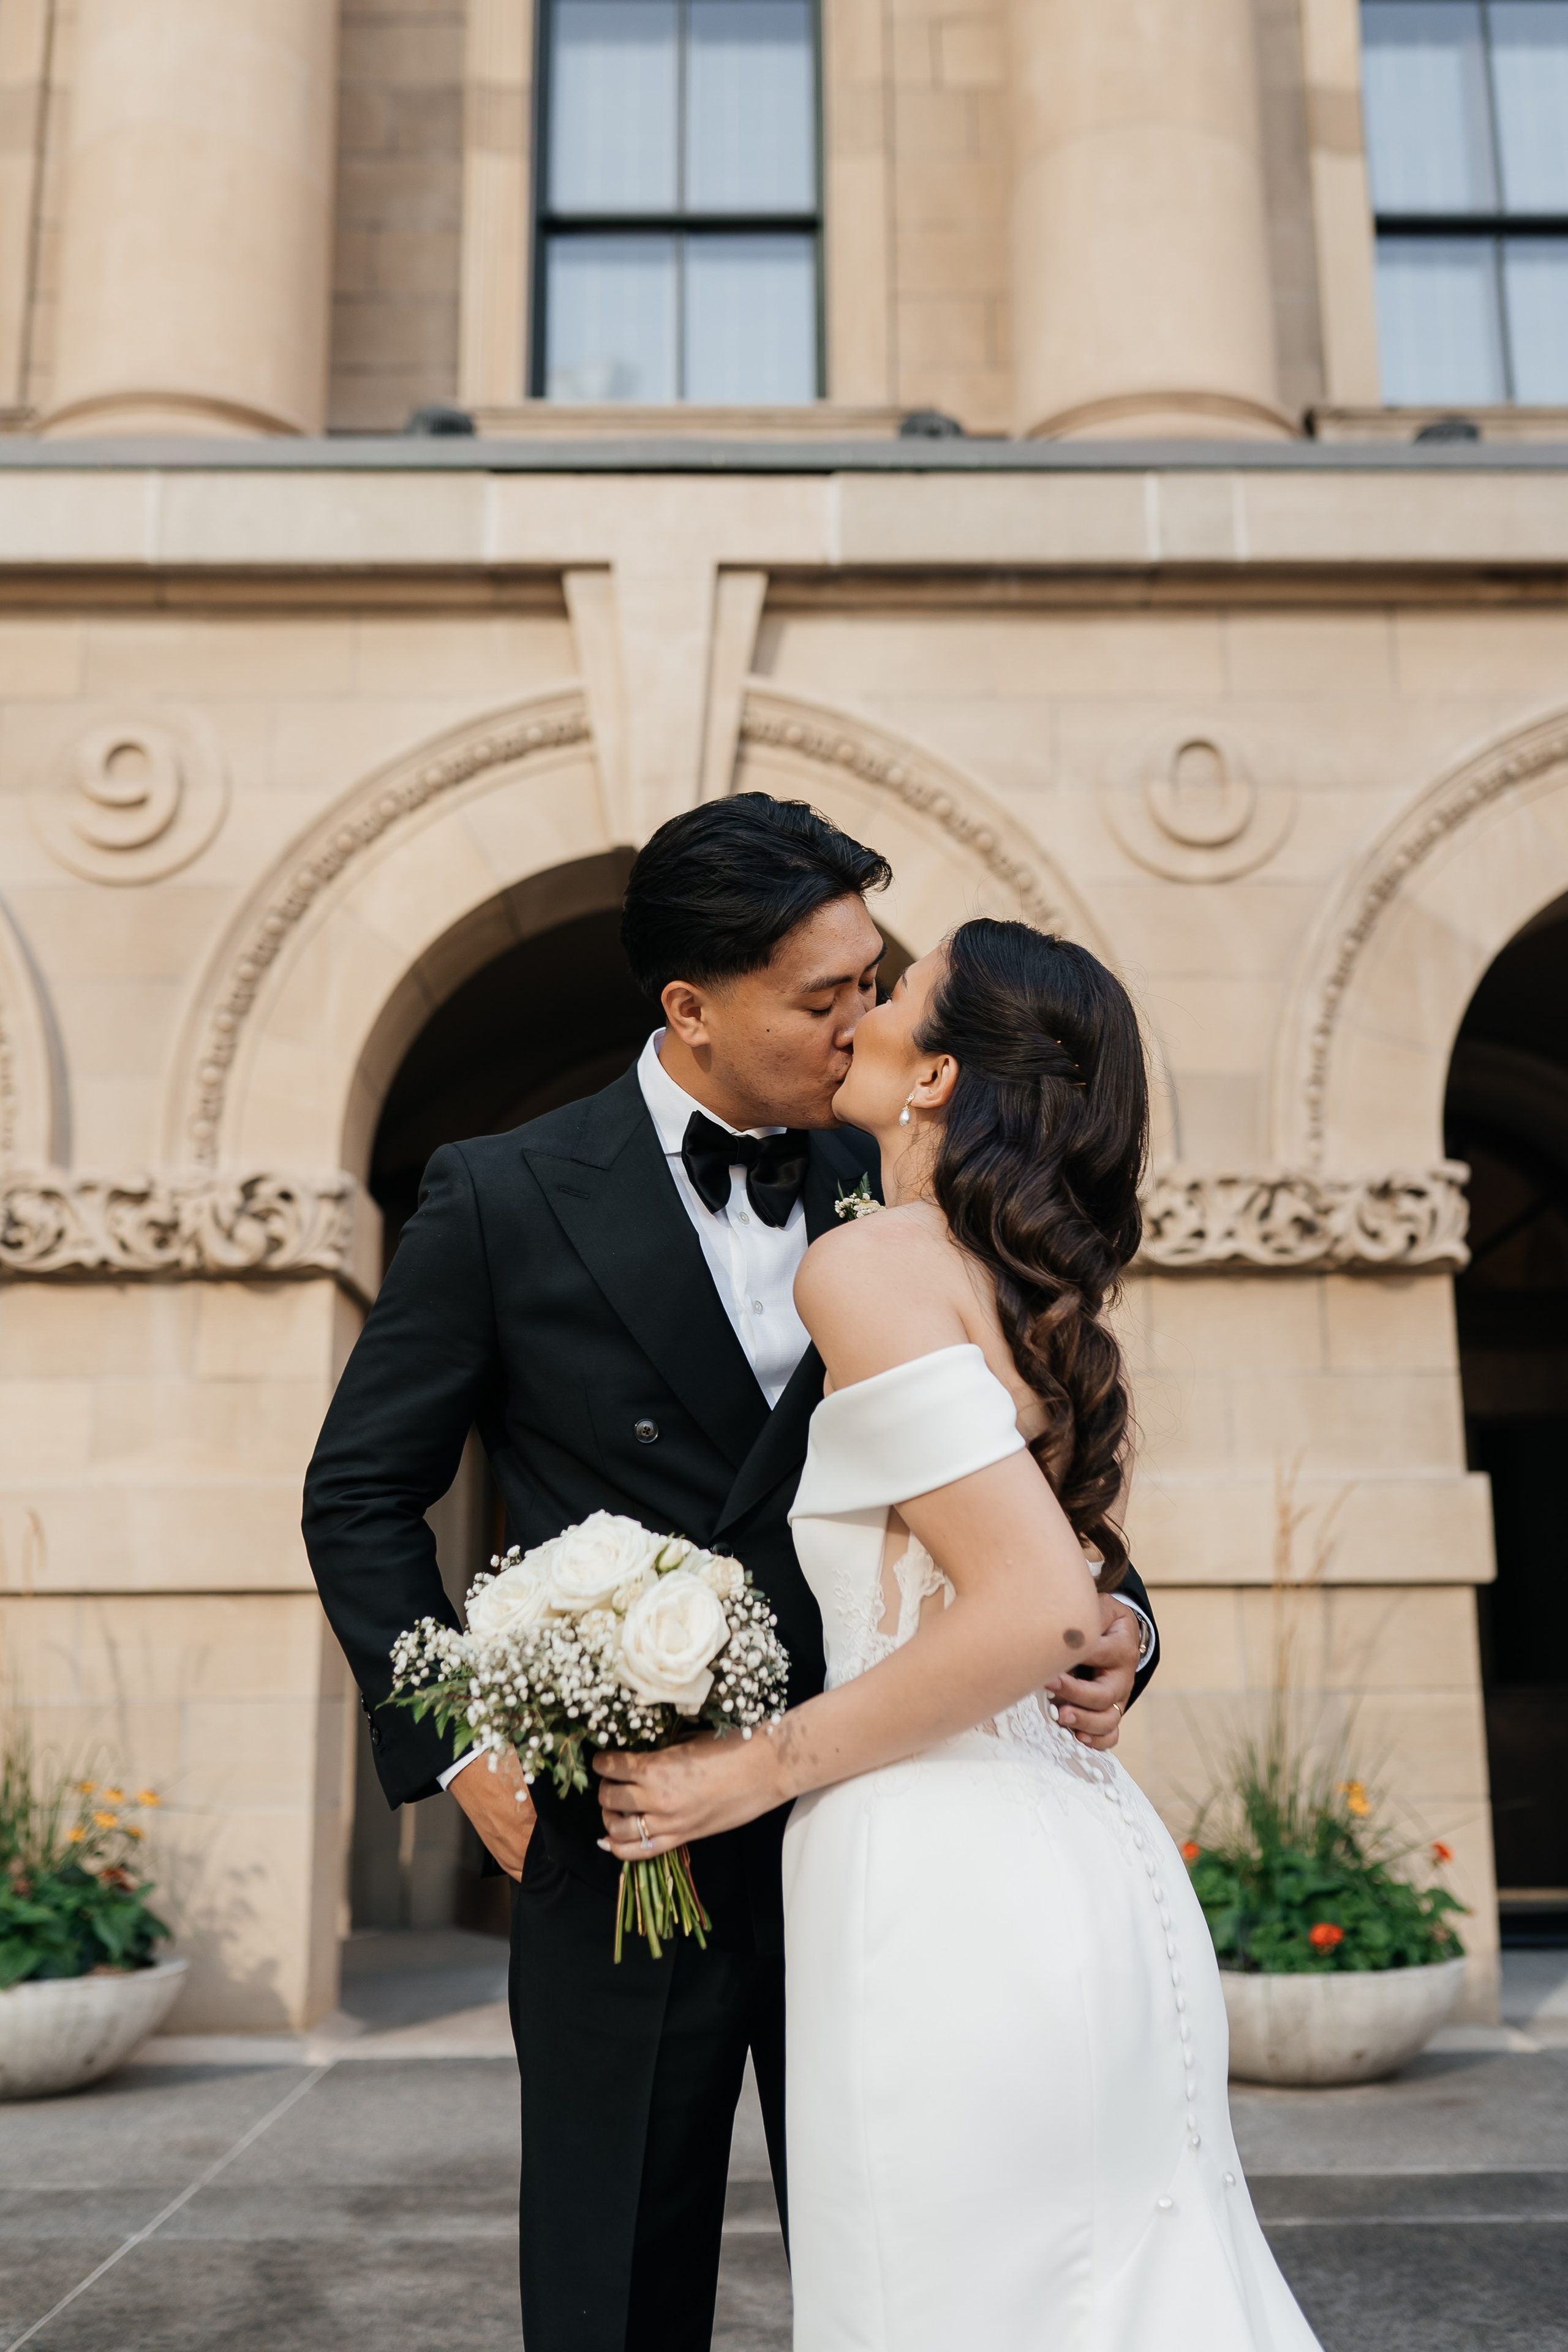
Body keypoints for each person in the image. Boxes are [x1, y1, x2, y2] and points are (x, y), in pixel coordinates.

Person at [302, 804, 1161, 2352]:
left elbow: (1004, 1467)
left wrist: (1119, 1618)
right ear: (689, 1009)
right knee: (615, 2276)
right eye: (819, 996)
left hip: (891, 1812)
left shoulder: (903, 1169)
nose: (859, 1020)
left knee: (938, 2252)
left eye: (871, 981)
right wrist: (460, 1742)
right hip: (638, 1831)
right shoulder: (499, 1194)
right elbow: (360, 1494)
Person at [597, 918, 1322, 2351]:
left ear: (932, 1080)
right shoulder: (1007, 1281)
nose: (856, 1011)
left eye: (891, 994)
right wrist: (1113, 1617)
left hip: (938, 1879)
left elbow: (1033, 1602)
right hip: (1083, 1848)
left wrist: (754, 1767)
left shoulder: (871, 1266)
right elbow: (1064, 1585)